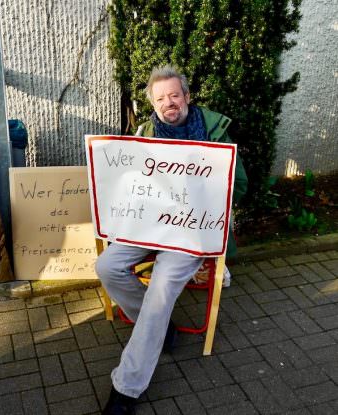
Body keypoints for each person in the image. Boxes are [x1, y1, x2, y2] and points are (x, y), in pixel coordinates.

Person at [96, 65, 248, 415]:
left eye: (175, 95)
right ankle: (161, 327)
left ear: (187, 97)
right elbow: (128, 184)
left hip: (193, 230)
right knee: (107, 265)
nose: (169, 103)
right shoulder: (145, 132)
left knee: (161, 289)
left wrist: (203, 187)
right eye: (161, 98)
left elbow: (238, 187)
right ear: (153, 103)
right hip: (150, 225)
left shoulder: (214, 132)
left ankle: (127, 387)